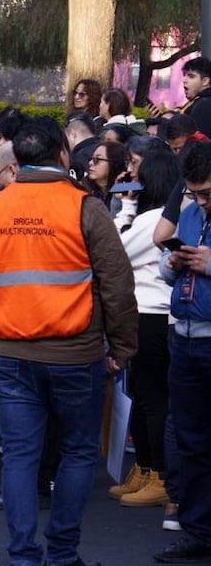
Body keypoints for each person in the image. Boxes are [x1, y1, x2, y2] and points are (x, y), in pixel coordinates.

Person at [0, 117, 138, 566]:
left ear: (16, 159)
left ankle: (23, 555)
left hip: (12, 352)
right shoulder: (85, 207)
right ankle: (61, 554)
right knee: (77, 452)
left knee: (20, 456)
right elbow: (117, 285)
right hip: (76, 353)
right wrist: (121, 347)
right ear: (62, 153)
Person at [107, 153, 179, 509]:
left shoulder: (154, 218)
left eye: (137, 171)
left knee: (151, 397)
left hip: (153, 316)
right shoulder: (157, 217)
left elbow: (114, 250)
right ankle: (147, 466)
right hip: (147, 315)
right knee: (142, 394)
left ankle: (160, 474)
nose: (130, 176)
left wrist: (126, 208)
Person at [153, 140, 211, 564]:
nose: (201, 201)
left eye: (206, 192)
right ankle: (197, 530)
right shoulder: (190, 215)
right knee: (190, 441)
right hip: (185, 337)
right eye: (194, 193)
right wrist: (171, 266)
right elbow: (166, 272)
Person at [85, 140, 127, 216]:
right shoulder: (84, 188)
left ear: (113, 163)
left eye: (97, 159)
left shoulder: (124, 192)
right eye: (91, 159)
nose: (90, 163)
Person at [177, 56, 211, 136]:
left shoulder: (204, 105)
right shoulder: (197, 102)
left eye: (191, 76)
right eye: (184, 75)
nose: (184, 80)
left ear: (205, 81)